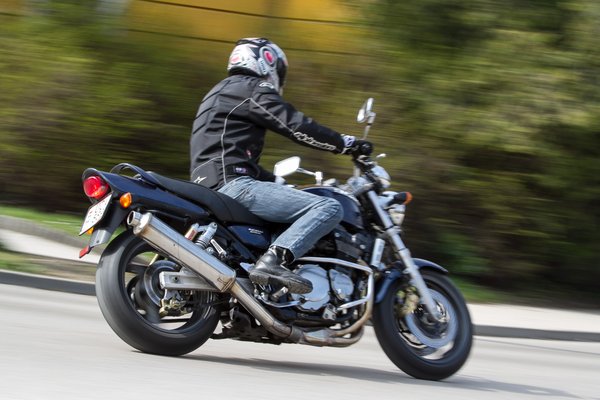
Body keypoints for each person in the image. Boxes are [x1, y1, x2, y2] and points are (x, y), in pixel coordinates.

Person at [190, 37, 372, 294]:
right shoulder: (252, 87)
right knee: (328, 207)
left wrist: (276, 182)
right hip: (234, 186)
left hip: (209, 185)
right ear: (266, 60)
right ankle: (273, 262)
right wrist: (345, 144)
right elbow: (295, 125)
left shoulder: (218, 92)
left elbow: (228, 155)